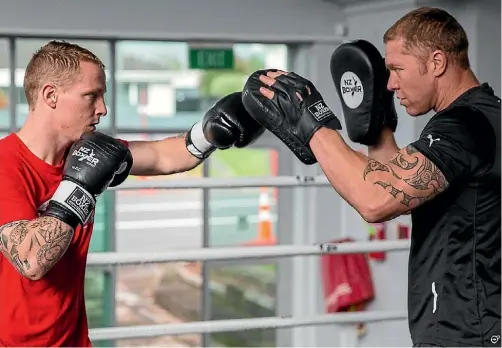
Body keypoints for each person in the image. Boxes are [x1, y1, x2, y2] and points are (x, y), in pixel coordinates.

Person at [241, 7, 501, 347]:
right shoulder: (479, 117)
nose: (391, 83)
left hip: (470, 332)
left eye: (397, 69)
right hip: (465, 326)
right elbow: (402, 190)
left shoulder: (466, 125)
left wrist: (312, 123)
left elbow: (375, 201)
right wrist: (376, 129)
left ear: (437, 62)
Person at [0, 40, 265, 347]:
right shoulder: (6, 165)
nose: (103, 108)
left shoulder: (84, 152)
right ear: (51, 95)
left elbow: (164, 156)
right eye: (91, 96)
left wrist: (214, 130)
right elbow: (30, 260)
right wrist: (80, 186)